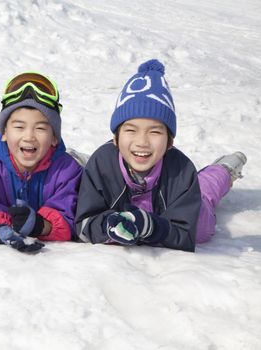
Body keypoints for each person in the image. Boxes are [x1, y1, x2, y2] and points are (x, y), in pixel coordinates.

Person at [74, 59, 247, 252]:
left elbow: (184, 234)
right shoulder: (101, 164)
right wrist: (107, 226)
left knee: (205, 194)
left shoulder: (182, 171)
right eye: (131, 130)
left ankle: (223, 170)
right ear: (115, 138)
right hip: (110, 162)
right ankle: (81, 160)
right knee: (103, 163)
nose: (142, 141)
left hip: (190, 206)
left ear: (169, 142)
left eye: (155, 132)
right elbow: (84, 224)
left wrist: (152, 227)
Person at [0, 72, 83, 252]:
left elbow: (69, 218)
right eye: (19, 127)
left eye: (40, 128)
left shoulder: (67, 170)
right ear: (4, 133)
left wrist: (40, 225)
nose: (29, 136)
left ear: (54, 138)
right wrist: (1, 229)